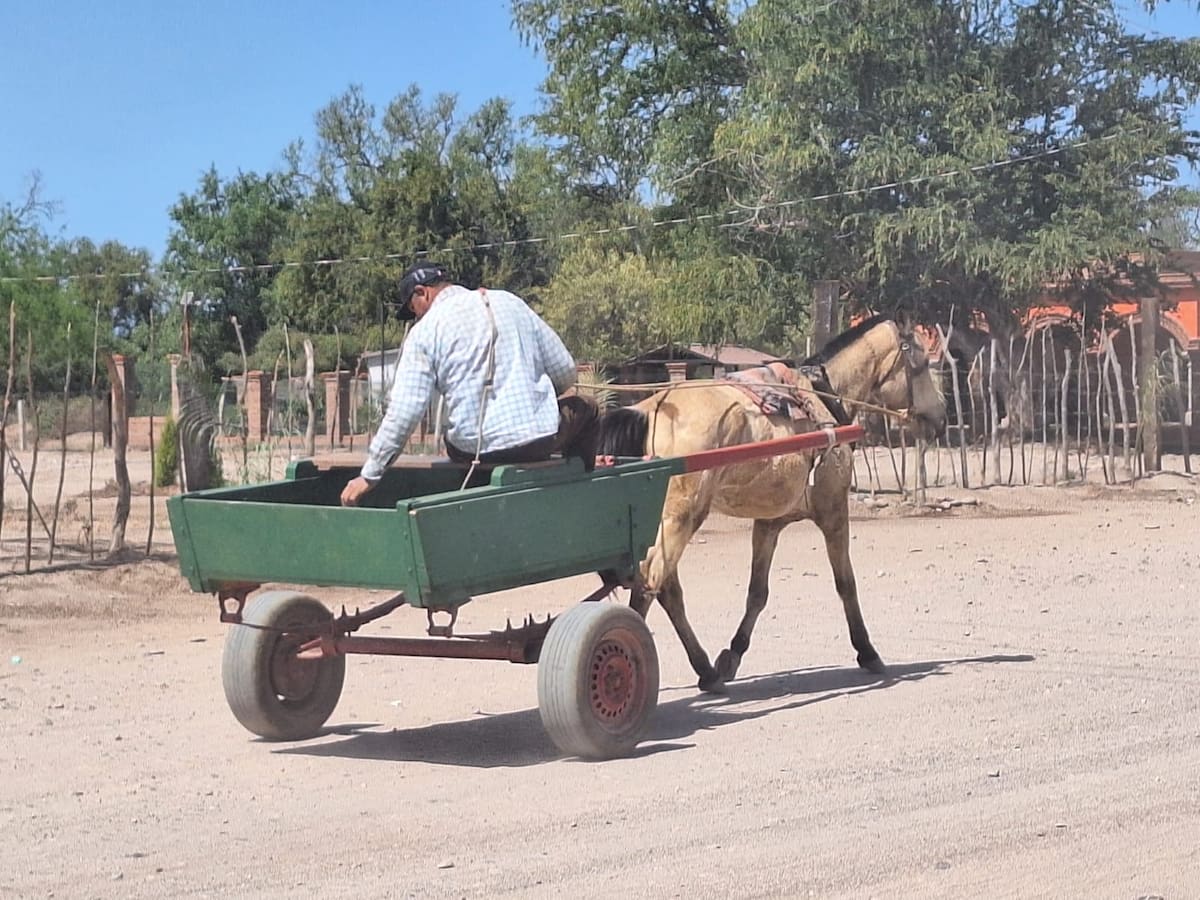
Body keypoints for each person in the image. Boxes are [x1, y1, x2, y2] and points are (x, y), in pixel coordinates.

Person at [340, 262, 599, 506]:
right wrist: (535, 397)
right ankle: (577, 492)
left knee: (453, 435)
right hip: (537, 440)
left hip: (474, 451)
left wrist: (370, 475)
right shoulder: (510, 302)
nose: (415, 317)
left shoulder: (425, 331)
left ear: (423, 293)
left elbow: (405, 411)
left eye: (412, 308)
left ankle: (478, 493)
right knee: (588, 407)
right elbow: (565, 370)